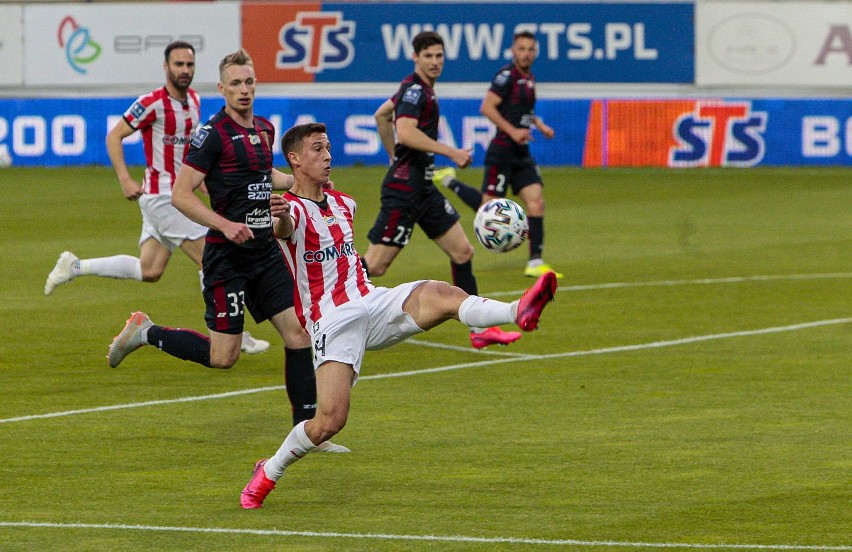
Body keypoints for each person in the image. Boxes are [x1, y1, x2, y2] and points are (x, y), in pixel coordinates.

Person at [239, 122, 557, 509]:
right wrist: (281, 216)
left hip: (370, 301)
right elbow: (285, 228)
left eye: (328, 148)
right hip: (333, 320)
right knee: (328, 422)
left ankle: (516, 309)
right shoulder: (290, 210)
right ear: (295, 159)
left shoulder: (344, 204)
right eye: (318, 150)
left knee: (441, 293)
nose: (327, 156)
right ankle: (269, 470)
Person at [105, 49, 347, 453]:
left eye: (249, 82)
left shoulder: (266, 130)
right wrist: (224, 224)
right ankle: (145, 331)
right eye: (235, 83)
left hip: (264, 251)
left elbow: (262, 173)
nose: (244, 90)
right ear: (222, 89)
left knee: (299, 333)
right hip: (227, 256)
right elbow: (182, 194)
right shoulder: (211, 134)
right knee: (224, 357)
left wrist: (300, 179)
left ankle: (308, 433)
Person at [44, 40, 268, 354]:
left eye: (189, 65)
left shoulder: (193, 100)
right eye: (178, 65)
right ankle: (234, 336)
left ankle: (75, 266)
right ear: (166, 67)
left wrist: (201, 182)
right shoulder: (151, 102)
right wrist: (124, 178)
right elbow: (114, 135)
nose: (185, 71)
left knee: (150, 270)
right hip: (163, 197)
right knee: (213, 260)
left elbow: (191, 151)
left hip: (169, 197)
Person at [361, 31, 522, 350]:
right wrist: (451, 152)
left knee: (463, 252)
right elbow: (405, 132)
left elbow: (382, 116)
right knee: (376, 266)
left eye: (439, 56)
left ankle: (479, 330)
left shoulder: (417, 90)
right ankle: (319, 285)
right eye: (428, 56)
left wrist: (393, 156)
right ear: (415, 57)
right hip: (405, 191)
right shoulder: (415, 91)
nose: (435, 62)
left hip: (423, 189)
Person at [433, 31, 562, 279]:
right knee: (487, 207)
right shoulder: (506, 77)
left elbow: (522, 110)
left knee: (536, 202)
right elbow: (487, 107)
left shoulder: (529, 78)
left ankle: (535, 261)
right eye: (521, 49)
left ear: (535, 52)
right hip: (502, 151)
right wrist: (513, 131)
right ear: (513, 51)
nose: (526, 53)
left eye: (530, 49)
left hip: (521, 153)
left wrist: (538, 125)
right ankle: (450, 181)